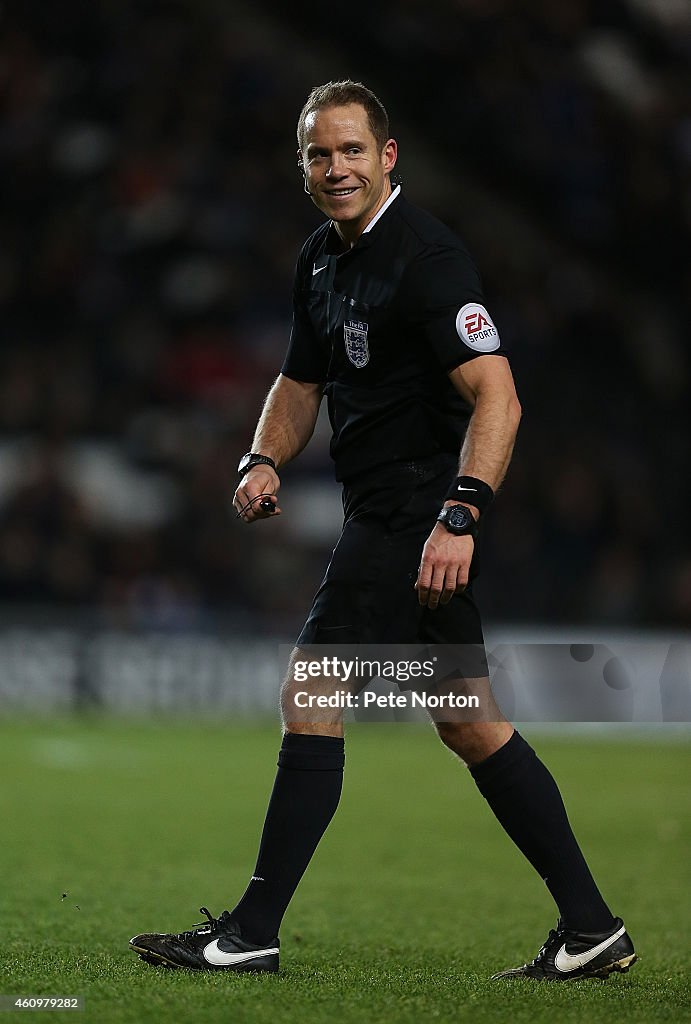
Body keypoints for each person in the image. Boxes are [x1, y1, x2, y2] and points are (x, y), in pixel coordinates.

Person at [130, 80, 636, 981]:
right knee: (468, 722)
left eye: (352, 150)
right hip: (389, 513)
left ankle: (249, 934)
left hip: (412, 514)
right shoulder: (321, 260)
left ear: (387, 155)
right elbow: (298, 383)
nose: (336, 169)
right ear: (304, 166)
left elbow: (499, 394)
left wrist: (459, 513)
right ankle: (590, 927)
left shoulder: (426, 256)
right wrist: (261, 459)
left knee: (311, 691)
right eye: (319, 155)